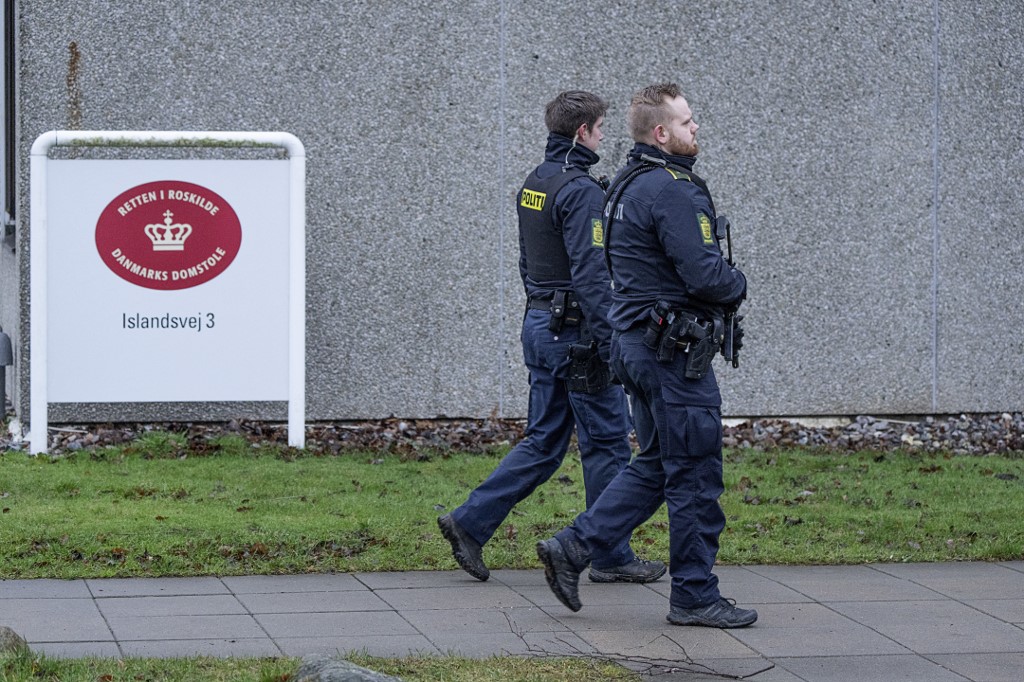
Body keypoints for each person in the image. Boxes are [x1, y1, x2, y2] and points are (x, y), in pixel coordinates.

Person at [535, 83, 757, 628]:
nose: (695, 128)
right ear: (662, 133)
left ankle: (572, 547)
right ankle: (695, 596)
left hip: (637, 347)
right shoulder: (672, 191)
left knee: (657, 465)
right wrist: (739, 282)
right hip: (672, 356)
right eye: (686, 122)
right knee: (695, 475)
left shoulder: (627, 185)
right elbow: (706, 275)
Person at [438, 90, 665, 586]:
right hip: (579, 335)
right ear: (583, 131)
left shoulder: (535, 182)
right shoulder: (582, 190)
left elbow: (526, 261)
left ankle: (469, 523)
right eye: (602, 127)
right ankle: (608, 553)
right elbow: (591, 274)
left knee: (544, 441)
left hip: (540, 325)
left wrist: (542, 309)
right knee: (607, 442)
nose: (605, 135)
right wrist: (613, 344)